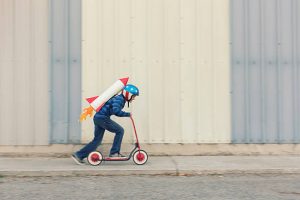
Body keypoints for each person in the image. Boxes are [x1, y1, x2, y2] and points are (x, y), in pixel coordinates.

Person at [72, 84, 139, 165]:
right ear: (128, 94)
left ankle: (78, 155)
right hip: (102, 118)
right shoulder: (120, 99)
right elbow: (115, 110)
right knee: (120, 131)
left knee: (97, 141)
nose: (134, 98)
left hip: (98, 117)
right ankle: (114, 153)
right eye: (133, 96)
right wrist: (127, 114)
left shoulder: (119, 98)